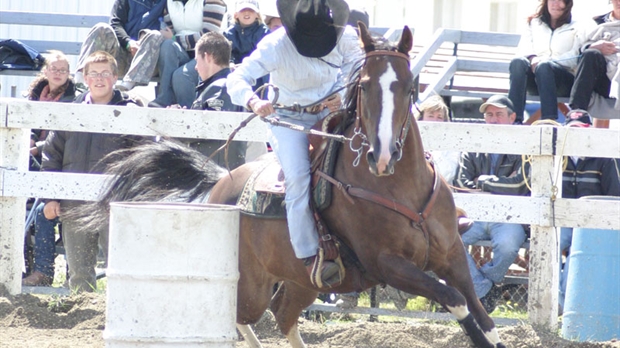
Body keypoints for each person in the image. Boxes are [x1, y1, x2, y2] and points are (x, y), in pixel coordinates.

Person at [226, 0, 364, 288]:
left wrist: (344, 93)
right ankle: (309, 255)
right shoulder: (275, 44)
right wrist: (253, 100)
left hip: (331, 114)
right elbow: (238, 76)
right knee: (299, 177)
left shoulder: (345, 36)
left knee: (363, 161)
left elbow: (358, 70)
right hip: (286, 118)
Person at [41, 51, 142, 292]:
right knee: (78, 272)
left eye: (105, 73)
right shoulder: (70, 111)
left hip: (114, 204)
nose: (99, 79)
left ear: (115, 77)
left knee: (122, 269)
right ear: (85, 78)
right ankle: (80, 319)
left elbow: (142, 157)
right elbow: (51, 155)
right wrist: (51, 197)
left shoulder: (130, 111)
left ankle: (122, 317)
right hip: (75, 204)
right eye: (93, 74)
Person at [454, 94, 530, 314]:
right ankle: (484, 289)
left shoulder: (525, 145)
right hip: (474, 214)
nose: (493, 119)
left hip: (509, 216)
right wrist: (501, 184)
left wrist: (484, 182)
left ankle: (483, 285)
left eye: (499, 114)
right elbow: (461, 183)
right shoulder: (472, 145)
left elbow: (521, 185)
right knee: (449, 240)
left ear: (512, 117)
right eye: (489, 115)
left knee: (507, 247)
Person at [21, 51, 77, 287]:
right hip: (31, 164)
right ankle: (30, 268)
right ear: (45, 71)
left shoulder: (76, 100)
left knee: (47, 212)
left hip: (60, 164)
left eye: (63, 70)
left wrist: (39, 146)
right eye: (54, 69)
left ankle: (61, 274)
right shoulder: (30, 97)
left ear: (68, 74)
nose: (58, 73)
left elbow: (65, 137)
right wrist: (29, 141)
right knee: (21, 211)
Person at [558, 110, 620, 310]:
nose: (576, 135)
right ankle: (560, 302)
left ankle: (565, 304)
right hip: (564, 218)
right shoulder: (558, 158)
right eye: (571, 131)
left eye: (580, 130)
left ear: (589, 131)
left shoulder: (606, 157)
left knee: (576, 251)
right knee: (550, 245)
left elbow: (613, 194)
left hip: (593, 222)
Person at [508, 0, 582, 123]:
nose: (556, 4)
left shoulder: (578, 26)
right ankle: (515, 119)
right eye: (552, 0)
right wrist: (533, 58)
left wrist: (546, 61)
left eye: (561, 1)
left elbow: (574, 58)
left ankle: (549, 119)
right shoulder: (534, 23)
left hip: (563, 80)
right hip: (536, 78)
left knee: (544, 66)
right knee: (518, 62)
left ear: (567, 4)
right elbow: (523, 48)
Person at [183, 32, 246, 169]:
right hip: (214, 174)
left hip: (215, 177)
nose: (195, 67)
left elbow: (209, 127)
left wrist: (176, 124)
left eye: (196, 60)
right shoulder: (220, 86)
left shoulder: (221, 87)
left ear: (207, 57)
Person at [75, 0, 166, 91]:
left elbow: (171, 28)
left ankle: (126, 87)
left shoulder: (168, 3)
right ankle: (79, 82)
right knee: (102, 27)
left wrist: (145, 38)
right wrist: (128, 43)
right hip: (120, 57)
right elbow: (116, 23)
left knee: (155, 34)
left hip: (148, 61)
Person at [151, 0, 227, 108]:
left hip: (207, 54)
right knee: (167, 45)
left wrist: (175, 38)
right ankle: (165, 100)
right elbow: (168, 32)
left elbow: (209, 36)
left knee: (182, 75)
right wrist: (173, 39)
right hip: (181, 51)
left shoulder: (213, 1)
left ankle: (188, 112)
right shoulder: (169, 3)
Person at [567, 0, 620, 129]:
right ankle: (578, 113)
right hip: (604, 80)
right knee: (591, 54)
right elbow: (578, 48)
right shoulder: (596, 22)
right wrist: (592, 46)